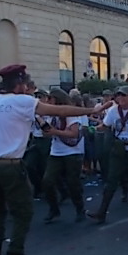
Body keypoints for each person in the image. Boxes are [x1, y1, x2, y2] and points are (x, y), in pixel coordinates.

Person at [0, 64, 111, 255]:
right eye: (26, 85)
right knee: (23, 213)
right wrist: (92, 111)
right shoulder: (22, 101)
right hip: (10, 166)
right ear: (20, 84)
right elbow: (61, 111)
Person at [86, 86, 128, 223]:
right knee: (111, 180)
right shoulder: (113, 111)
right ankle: (101, 213)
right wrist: (94, 128)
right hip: (118, 148)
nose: (121, 98)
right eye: (119, 95)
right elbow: (105, 125)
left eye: (124, 95)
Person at [41, 89, 86, 223]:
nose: (48, 101)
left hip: (73, 152)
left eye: (50, 98)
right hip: (56, 151)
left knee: (73, 182)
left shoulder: (70, 114)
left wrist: (55, 131)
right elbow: (47, 133)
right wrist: (45, 129)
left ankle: (80, 209)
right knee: (47, 181)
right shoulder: (51, 115)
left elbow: (74, 133)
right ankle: (54, 209)